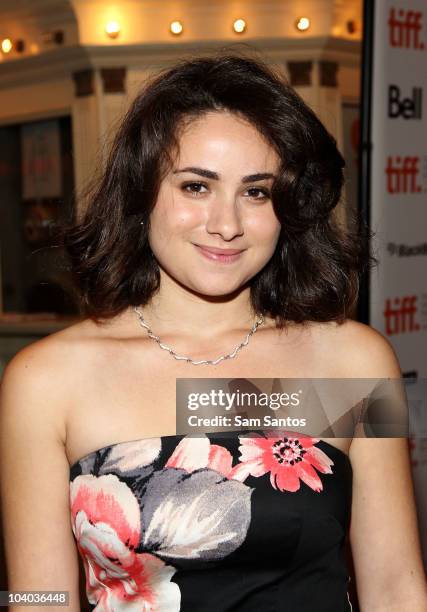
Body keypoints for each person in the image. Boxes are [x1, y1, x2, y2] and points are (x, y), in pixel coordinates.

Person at [0, 52, 426, 612]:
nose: (226, 225)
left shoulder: (353, 362)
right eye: (196, 187)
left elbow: (395, 583)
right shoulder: (47, 381)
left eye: (257, 192)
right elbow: (38, 597)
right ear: (141, 192)